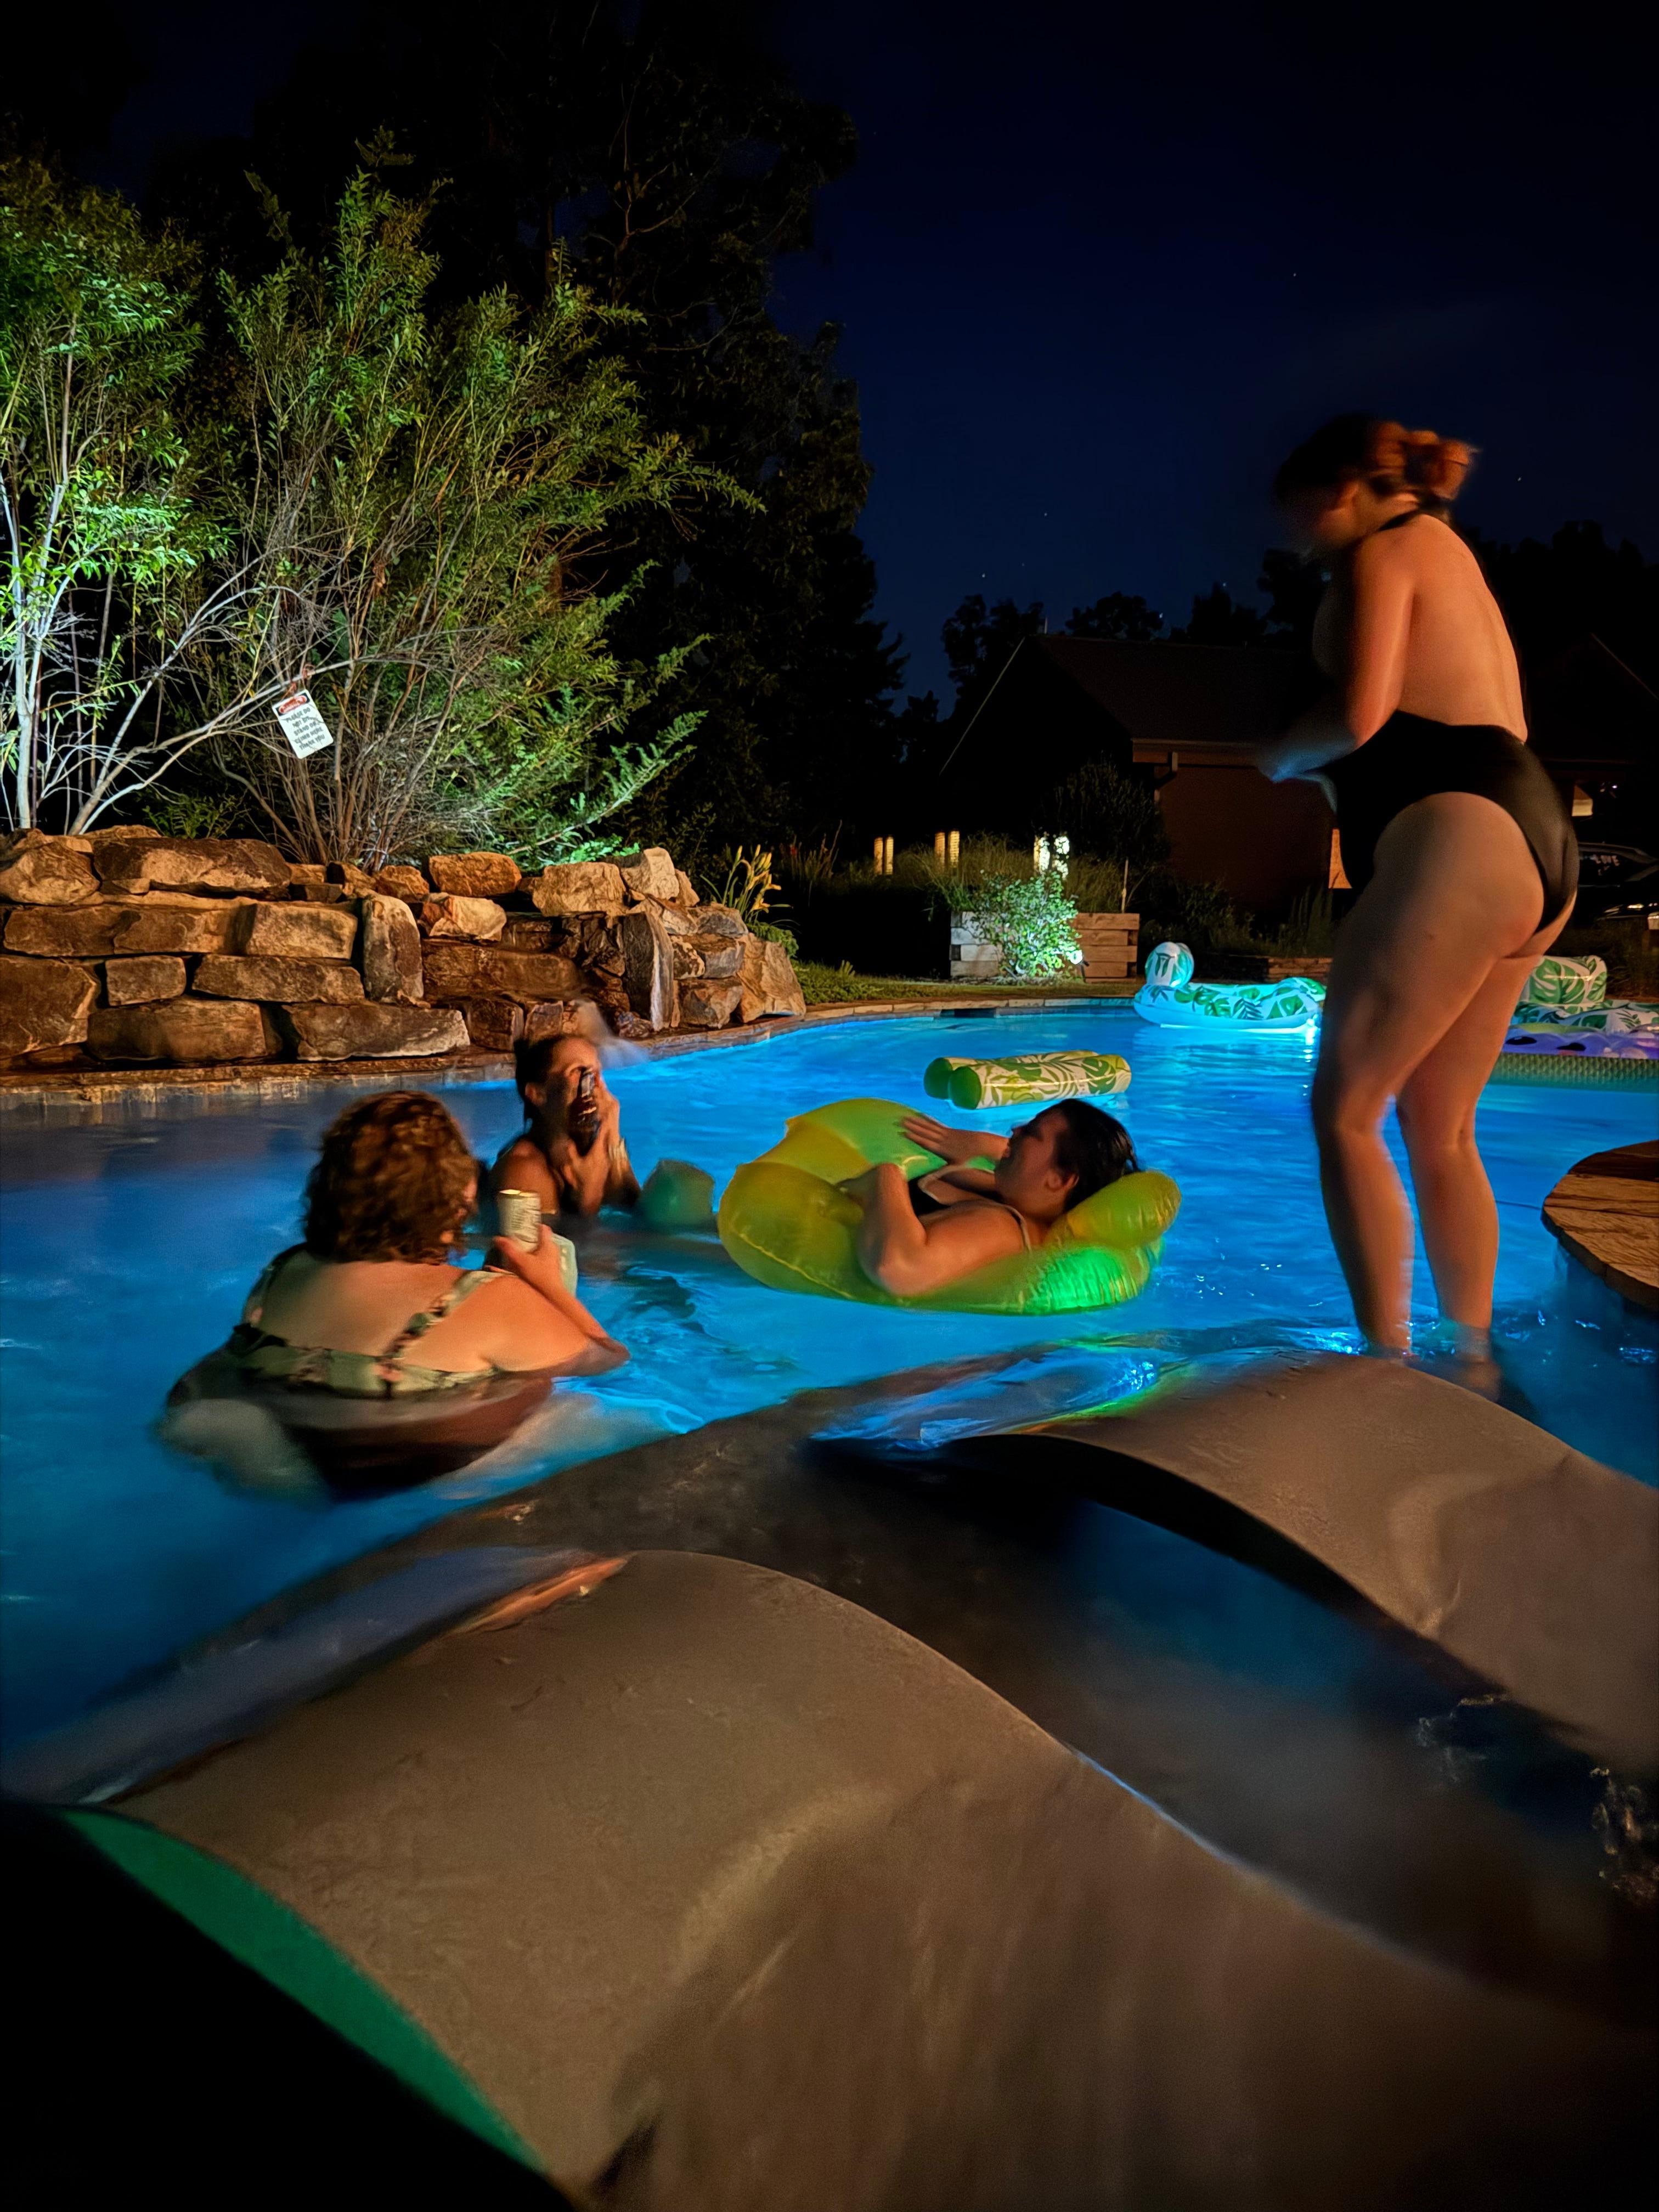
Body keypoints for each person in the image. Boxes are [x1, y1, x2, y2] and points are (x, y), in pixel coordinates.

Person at [1255, 415, 1577, 1382]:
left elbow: (1358, 713)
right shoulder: (1451, 557)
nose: (1297, 534)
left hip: (1460, 834)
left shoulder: (1383, 553)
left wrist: (1276, 753)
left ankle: (1382, 1371)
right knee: (1438, 1129)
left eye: (1303, 511)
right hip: (1532, 841)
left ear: (1346, 488)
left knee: (1344, 1111)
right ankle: (1471, 1364)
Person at [844, 1102, 1139, 1297]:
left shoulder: (1001, 1228)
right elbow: (1030, 1165)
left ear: (1059, 1180)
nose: (1015, 1130)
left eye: (1032, 1132)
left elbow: (898, 1268)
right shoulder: (1022, 1201)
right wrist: (986, 1145)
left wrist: (884, 1178)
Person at [490, 1032, 641, 1222]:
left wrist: (612, 1134)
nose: (592, 1084)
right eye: (578, 1071)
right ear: (538, 1094)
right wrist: (589, 1201)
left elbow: (644, 1218)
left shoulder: (595, 1152)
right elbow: (528, 1251)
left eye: (596, 1073)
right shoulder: (524, 1171)